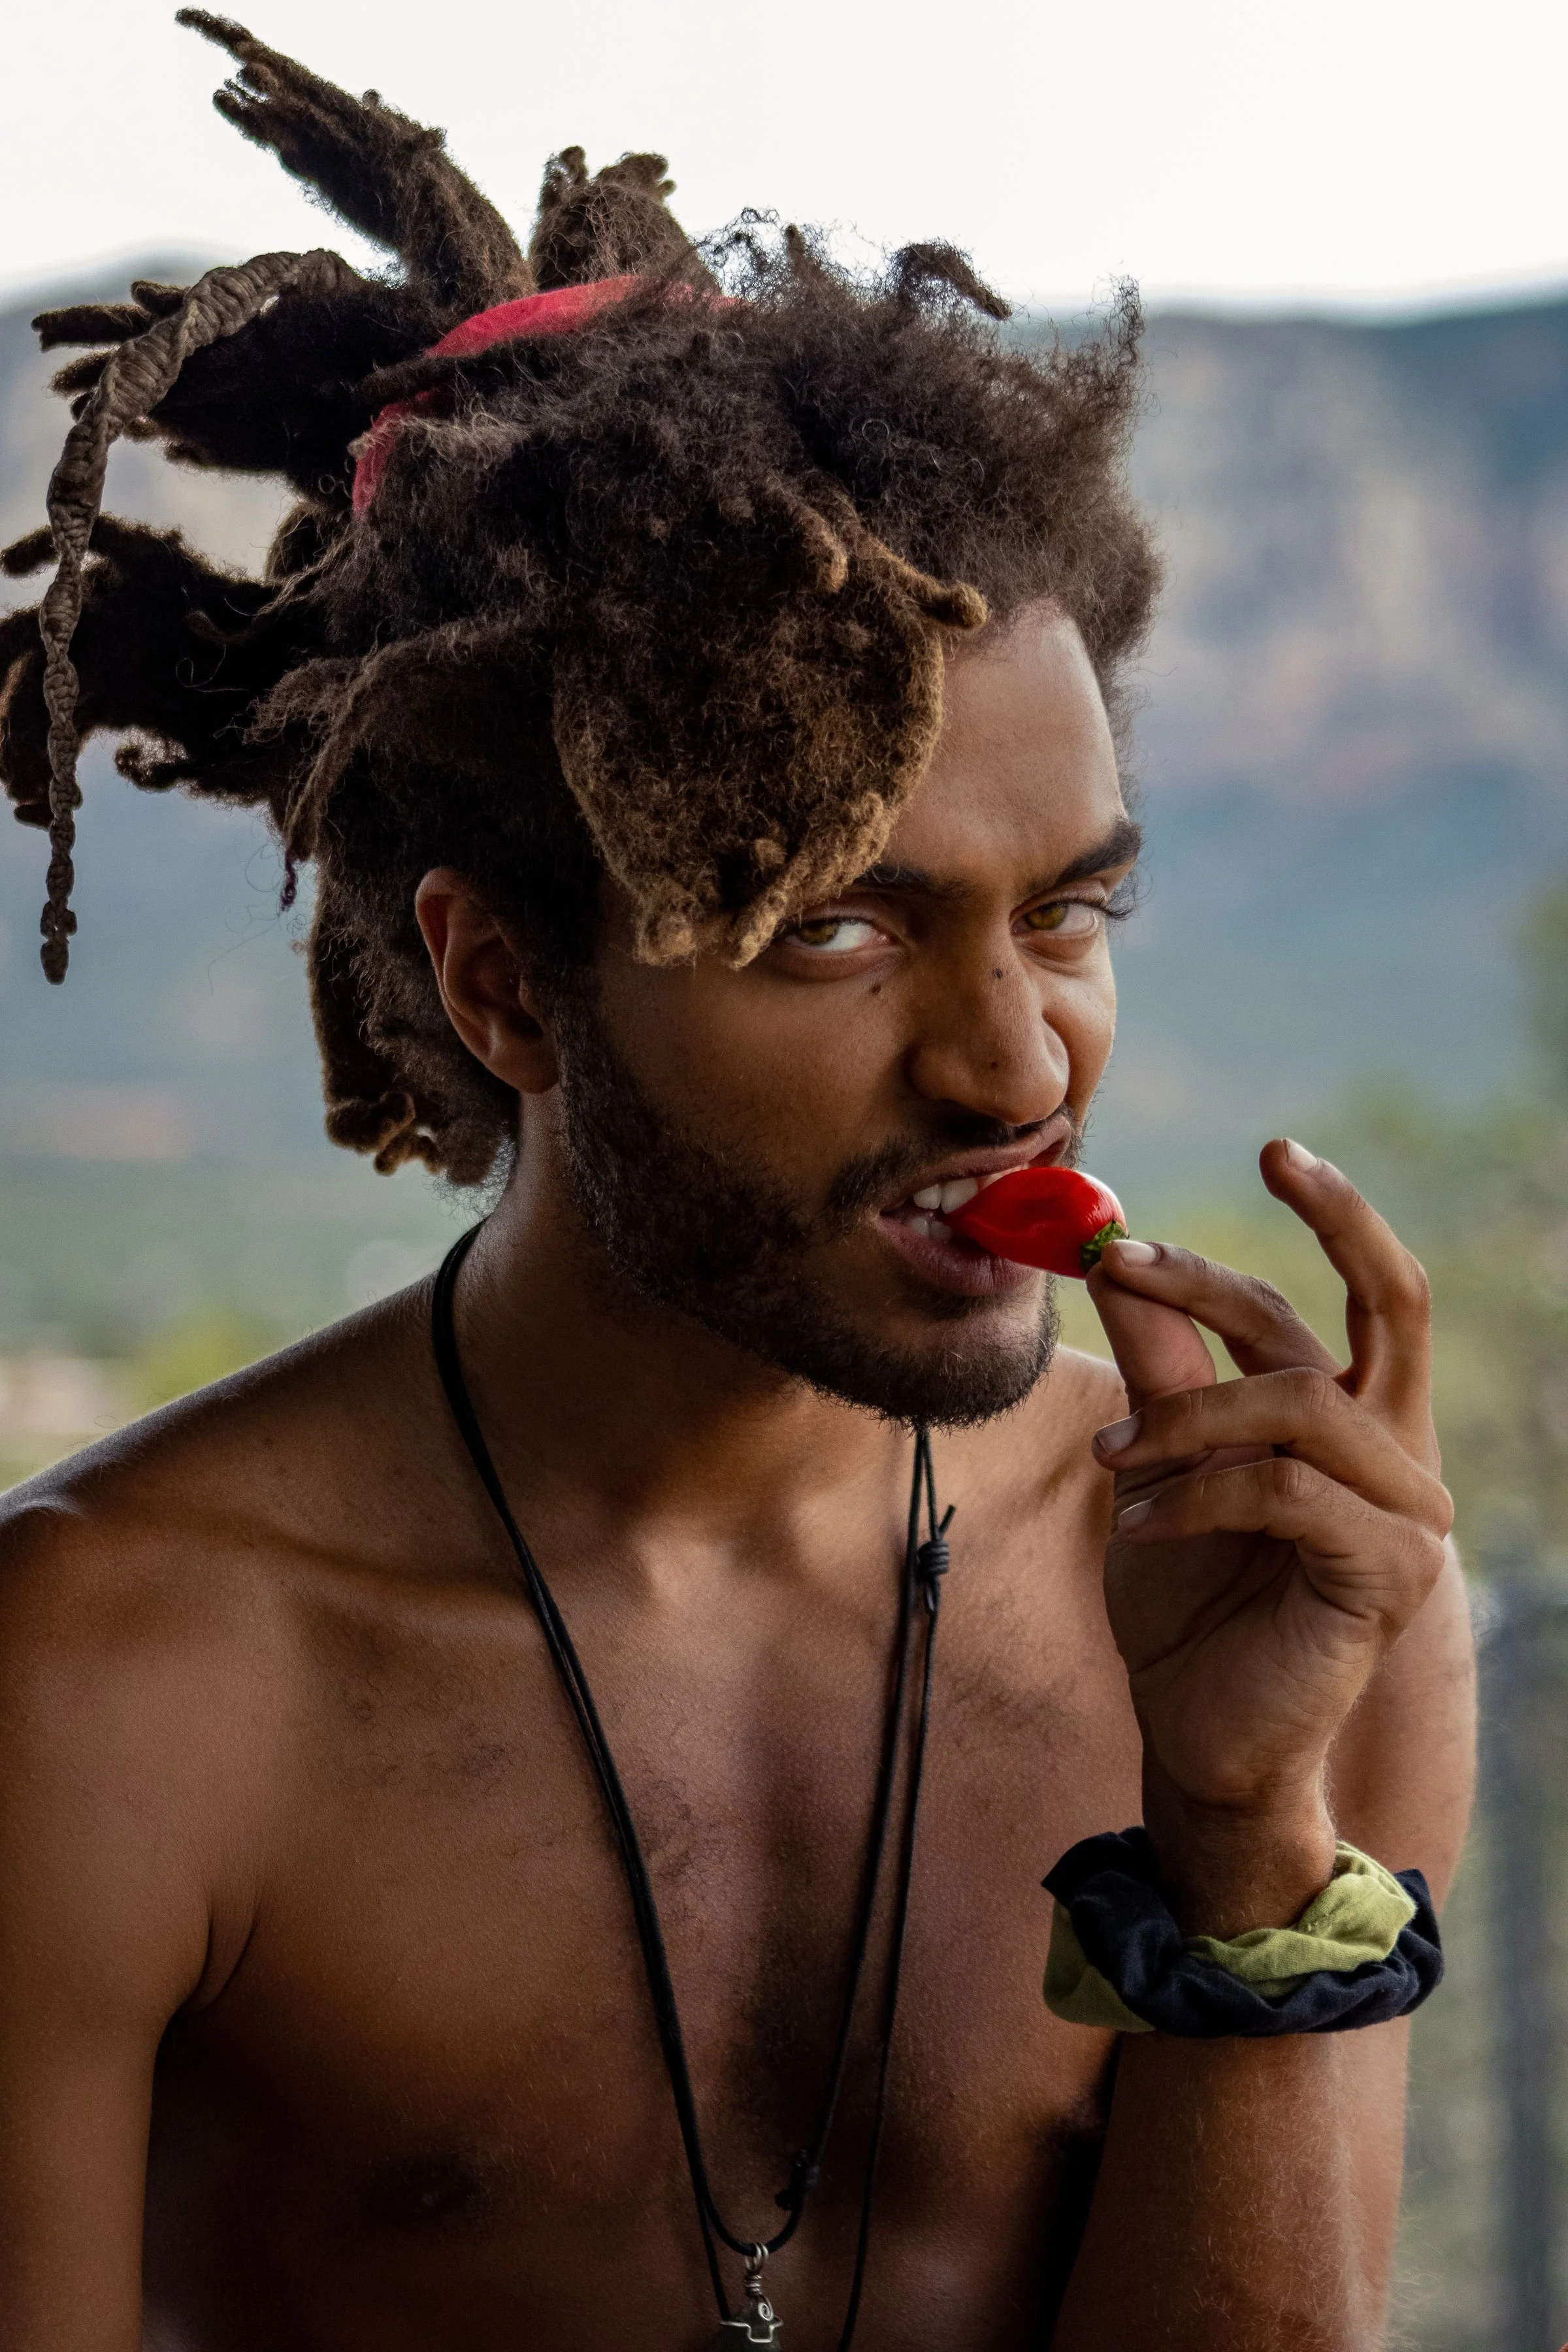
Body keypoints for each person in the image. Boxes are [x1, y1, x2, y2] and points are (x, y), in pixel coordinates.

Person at [0, 15, 1473, 2349]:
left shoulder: (1281, 1594)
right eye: (841, 928)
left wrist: (1246, 1838)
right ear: (501, 985)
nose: (1019, 1065)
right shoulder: (108, 1682)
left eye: (1070, 913)